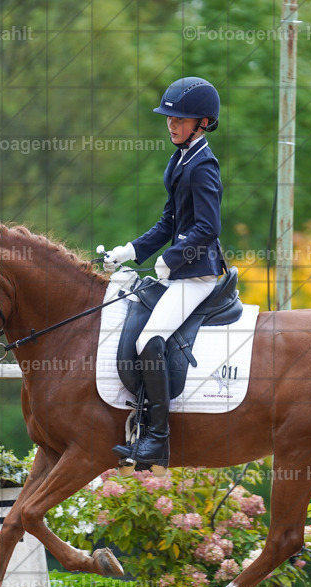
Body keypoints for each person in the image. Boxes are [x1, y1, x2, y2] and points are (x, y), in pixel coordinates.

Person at [103, 76, 227, 471]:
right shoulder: (181, 158)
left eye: (181, 119)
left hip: (197, 274)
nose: (172, 124)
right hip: (180, 270)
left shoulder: (203, 164)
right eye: (169, 118)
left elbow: (208, 227)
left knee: (149, 339)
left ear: (203, 122)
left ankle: (156, 438)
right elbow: (169, 220)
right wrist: (132, 250)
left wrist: (173, 258)